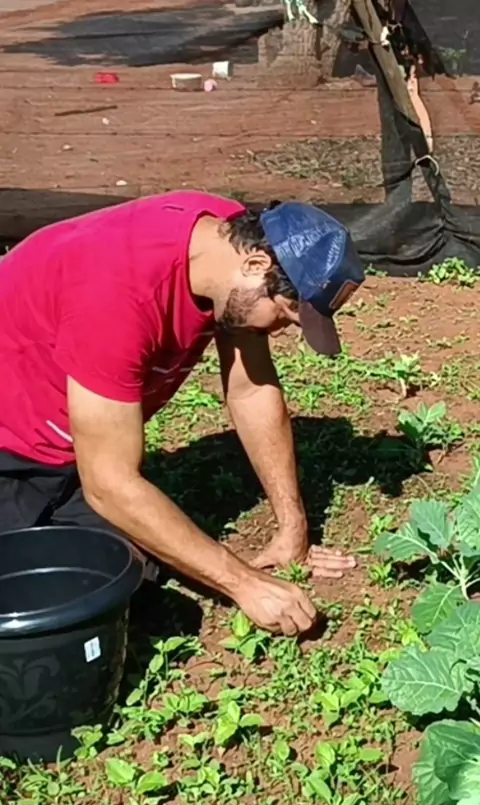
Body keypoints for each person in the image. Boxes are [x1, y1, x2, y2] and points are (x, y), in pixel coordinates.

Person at [0, 191, 364, 636]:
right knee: (50, 607)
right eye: (285, 314)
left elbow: (250, 388)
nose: (280, 329)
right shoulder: (117, 297)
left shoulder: (229, 244)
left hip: (70, 447)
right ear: (256, 265)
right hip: (9, 444)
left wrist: (293, 527)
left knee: (129, 576)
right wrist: (245, 584)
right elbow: (109, 485)